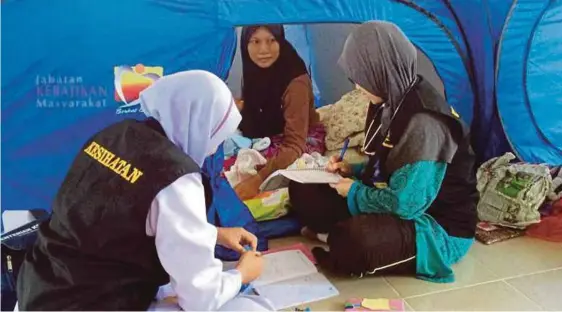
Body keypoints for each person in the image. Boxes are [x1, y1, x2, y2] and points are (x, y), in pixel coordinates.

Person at [15, 70, 274, 311]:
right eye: (216, 138)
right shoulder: (176, 177)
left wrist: (212, 234)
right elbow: (200, 297)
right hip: (91, 302)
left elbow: (115, 223)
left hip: (39, 287)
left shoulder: (116, 135)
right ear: (199, 124)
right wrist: (241, 274)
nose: (213, 151)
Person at [288, 21, 479, 283]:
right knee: (302, 189)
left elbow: (406, 205)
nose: (357, 87)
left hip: (434, 225)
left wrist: (354, 191)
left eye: (362, 77)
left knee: (354, 242)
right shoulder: (389, 100)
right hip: (394, 200)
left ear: (381, 69)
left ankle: (340, 236)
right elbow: (389, 165)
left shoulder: (425, 123)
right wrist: (351, 170)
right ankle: (340, 232)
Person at [233, 25, 325, 200]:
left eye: (271, 40)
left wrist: (258, 180)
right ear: (245, 44)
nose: (263, 50)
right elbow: (259, 106)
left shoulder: (294, 82)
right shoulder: (255, 70)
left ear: (280, 40)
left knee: (243, 171)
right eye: (255, 41)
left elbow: (294, 144)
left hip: (300, 140)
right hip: (275, 133)